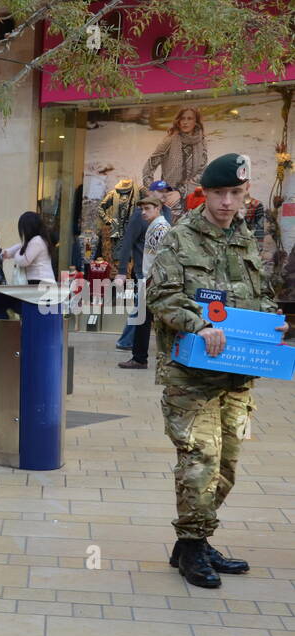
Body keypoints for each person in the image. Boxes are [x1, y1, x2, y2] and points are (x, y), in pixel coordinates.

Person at [146, 153, 287, 588]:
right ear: (204, 193)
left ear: (246, 195)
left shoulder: (246, 238)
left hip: (236, 374)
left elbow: (259, 295)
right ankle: (191, 546)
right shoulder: (178, 238)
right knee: (200, 461)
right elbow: (162, 297)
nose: (228, 202)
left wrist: (272, 321)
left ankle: (196, 541)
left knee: (226, 466)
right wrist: (200, 324)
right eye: (220, 193)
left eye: (236, 194)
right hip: (191, 375)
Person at [115, 180, 175, 351]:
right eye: (160, 191)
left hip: (160, 269)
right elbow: (128, 241)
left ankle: (130, 342)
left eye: (166, 191)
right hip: (143, 268)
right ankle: (126, 341)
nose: (163, 194)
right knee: (142, 307)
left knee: (144, 307)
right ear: (150, 192)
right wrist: (121, 271)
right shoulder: (139, 215)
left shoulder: (166, 213)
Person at [143, 107, 207, 216]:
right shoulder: (169, 141)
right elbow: (149, 166)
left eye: (189, 118)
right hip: (170, 197)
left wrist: (181, 191)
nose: (185, 122)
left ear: (196, 122)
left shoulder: (201, 142)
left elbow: (202, 172)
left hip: (192, 197)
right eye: (182, 119)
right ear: (178, 121)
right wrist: (152, 191)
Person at [3, 211, 57, 284]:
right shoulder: (38, 240)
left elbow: (24, 261)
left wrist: (16, 254)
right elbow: (21, 246)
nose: (23, 232)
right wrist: (6, 253)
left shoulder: (37, 240)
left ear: (28, 228)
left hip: (41, 281)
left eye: (23, 229)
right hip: (41, 282)